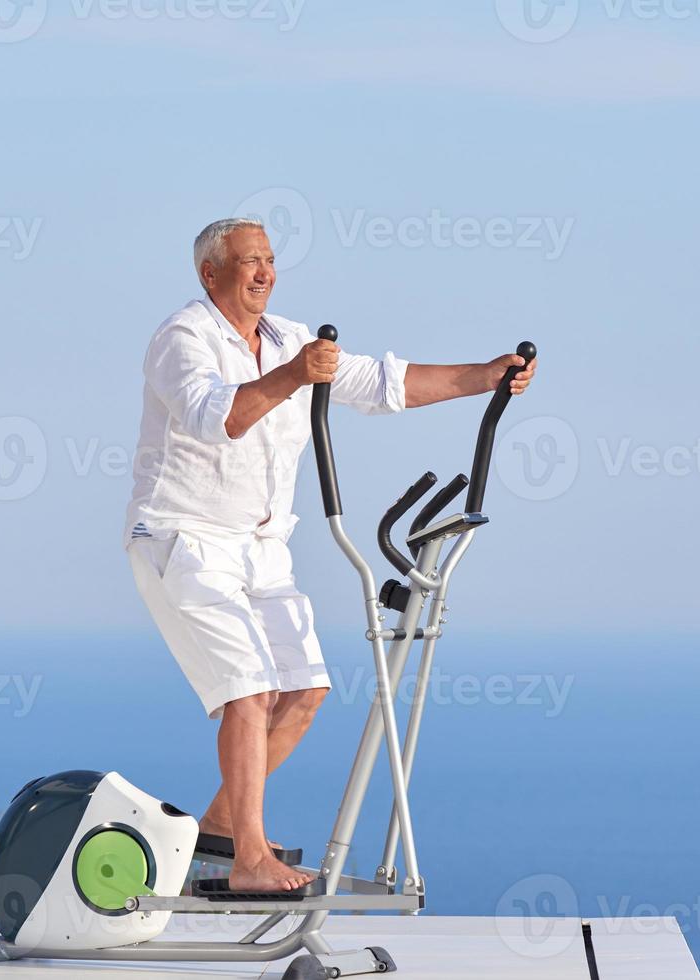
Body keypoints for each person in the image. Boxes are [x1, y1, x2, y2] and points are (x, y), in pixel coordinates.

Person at [125, 217, 537, 894]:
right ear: (210, 274)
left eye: (268, 259)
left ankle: (225, 826)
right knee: (249, 690)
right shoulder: (183, 337)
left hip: (260, 544)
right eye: (247, 260)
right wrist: (292, 376)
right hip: (184, 537)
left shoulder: (289, 337)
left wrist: (483, 378)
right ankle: (252, 860)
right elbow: (213, 417)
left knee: (305, 689)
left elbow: (381, 384)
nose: (263, 271)